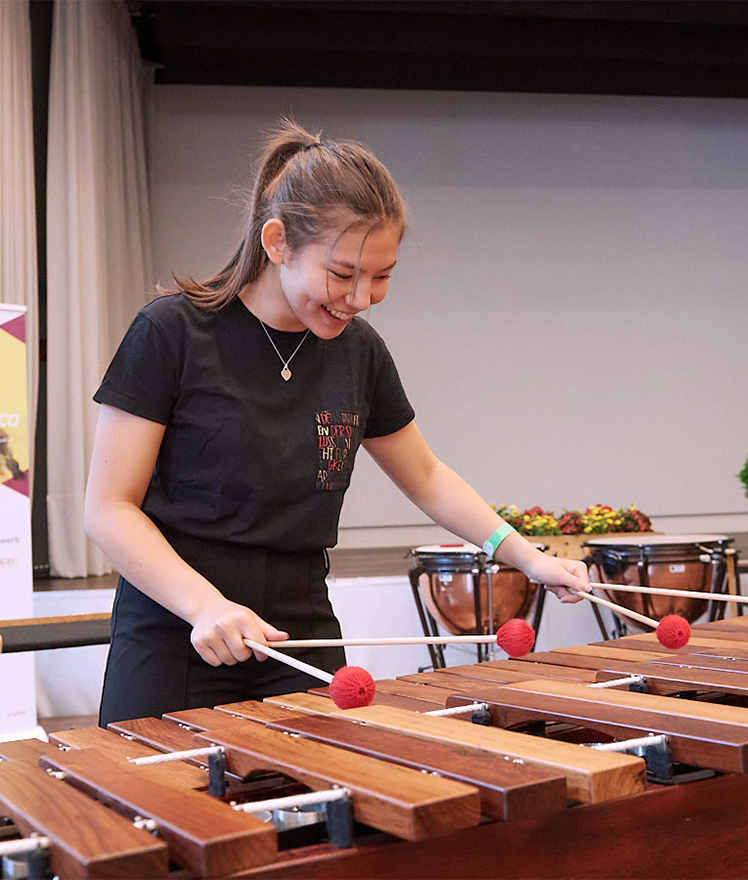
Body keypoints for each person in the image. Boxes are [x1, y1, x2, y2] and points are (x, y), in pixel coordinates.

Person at [84, 117, 589, 726]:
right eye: (343, 274)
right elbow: (109, 508)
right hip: (180, 631)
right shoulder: (173, 333)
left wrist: (526, 557)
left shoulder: (360, 351)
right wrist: (205, 606)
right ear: (277, 242)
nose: (361, 298)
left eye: (382, 277)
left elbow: (426, 476)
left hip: (301, 636)